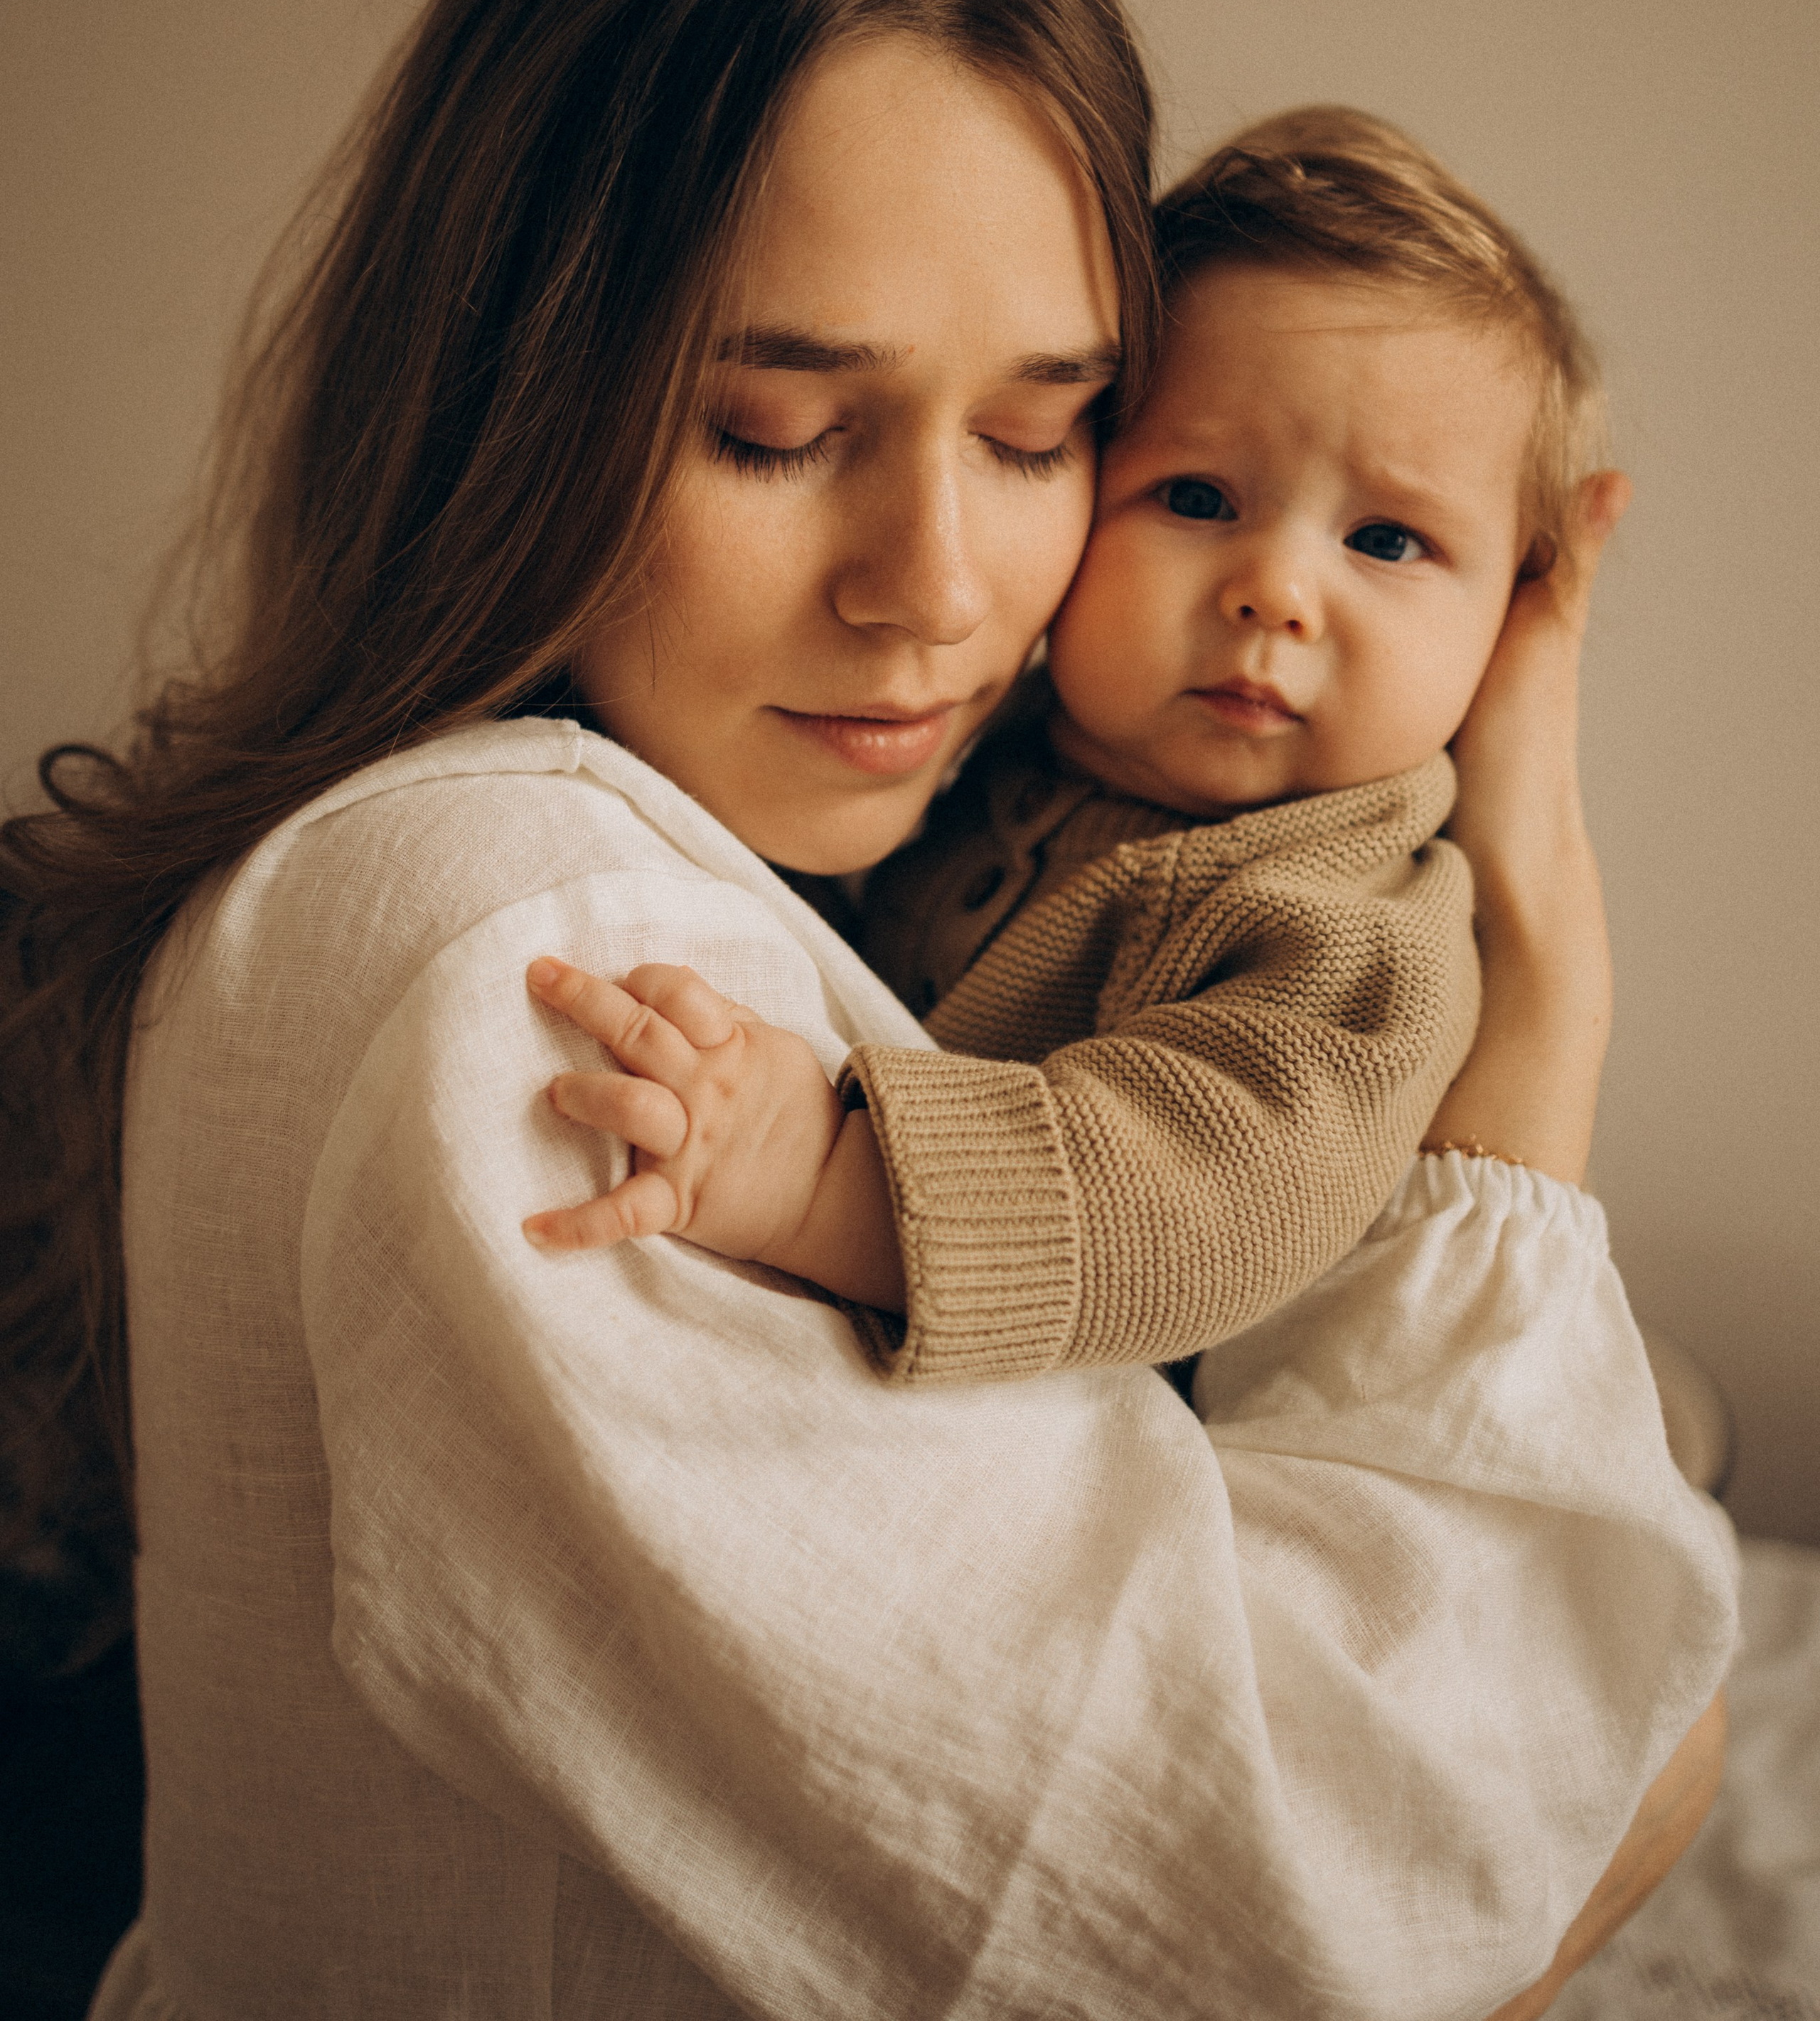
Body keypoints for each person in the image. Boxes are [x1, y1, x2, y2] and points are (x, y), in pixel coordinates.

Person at [0, 0, 1733, 2021]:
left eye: (1039, 439)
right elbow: (1319, 1904)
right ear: (517, 393)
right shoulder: (532, 966)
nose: (939, 591)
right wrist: (1655, 1748)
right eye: (774, 429)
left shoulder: (732, 839)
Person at [515, 106, 1610, 1391]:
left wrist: (821, 1177)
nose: (1277, 594)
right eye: (1197, 499)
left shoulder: (1360, 926)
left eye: (1386, 541)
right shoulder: (988, 746)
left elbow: (1213, 1197)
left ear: (1516, 607)